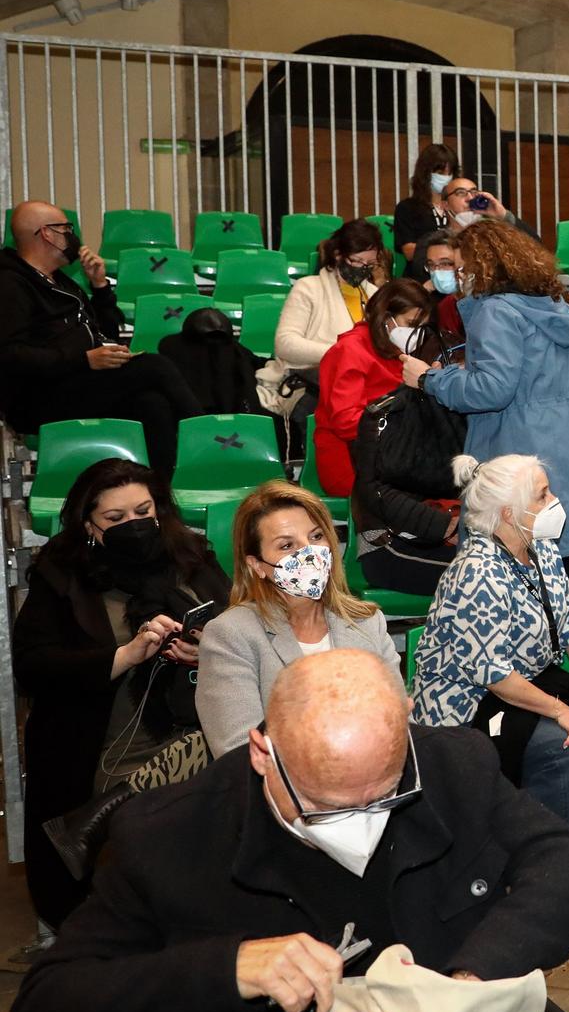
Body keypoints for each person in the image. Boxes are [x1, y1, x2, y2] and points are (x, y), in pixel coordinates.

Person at [4, 649, 569, 1012]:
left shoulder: (447, 762)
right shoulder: (168, 837)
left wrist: (468, 977)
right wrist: (226, 970)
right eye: (327, 805)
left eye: (383, 795)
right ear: (261, 752)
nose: (361, 824)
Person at [413, 454, 569, 899]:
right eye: (543, 494)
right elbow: (493, 675)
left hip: (526, 684)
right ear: (509, 513)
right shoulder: (476, 571)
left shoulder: (540, 547)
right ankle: (564, 875)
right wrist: (561, 710)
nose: (555, 500)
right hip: (469, 708)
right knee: (568, 740)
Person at [11, 458, 228, 932]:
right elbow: (33, 666)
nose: (134, 525)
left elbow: (241, 629)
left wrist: (206, 648)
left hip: (199, 728)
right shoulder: (62, 575)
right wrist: (125, 656)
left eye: (143, 511)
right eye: (115, 519)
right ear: (89, 524)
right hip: (107, 751)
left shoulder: (191, 556)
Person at [404, 219, 569, 604]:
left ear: (486, 267)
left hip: (521, 452)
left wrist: (431, 380)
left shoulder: (494, 311)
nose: (461, 278)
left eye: (464, 269)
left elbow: (492, 390)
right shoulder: (561, 310)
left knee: (522, 588)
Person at [0, 201, 201, 481]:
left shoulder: (62, 283)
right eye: (65, 228)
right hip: (37, 398)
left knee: (153, 404)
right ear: (46, 234)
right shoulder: (11, 284)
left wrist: (100, 287)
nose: (72, 235)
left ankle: (159, 496)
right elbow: (11, 356)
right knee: (155, 366)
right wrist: (84, 360)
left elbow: (104, 335)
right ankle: (209, 440)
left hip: (76, 384)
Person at [195, 481, 399, 754]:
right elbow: (238, 752)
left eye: (316, 537)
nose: (309, 553)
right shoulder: (230, 635)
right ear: (257, 566)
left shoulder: (366, 621)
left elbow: (399, 722)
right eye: (287, 545)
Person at [255, 218, 388, 438]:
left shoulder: (374, 294)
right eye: (357, 261)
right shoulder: (308, 288)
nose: (364, 269)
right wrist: (343, 353)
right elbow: (285, 345)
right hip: (312, 384)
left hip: (360, 385)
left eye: (370, 264)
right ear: (338, 255)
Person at [312, 278, 433, 498]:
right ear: (386, 318)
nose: (417, 334)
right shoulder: (350, 351)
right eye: (412, 324)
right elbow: (346, 422)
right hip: (351, 462)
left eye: (422, 327)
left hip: (392, 457)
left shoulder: (397, 352)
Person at [348, 377, 462, 598]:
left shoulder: (480, 414)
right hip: (388, 541)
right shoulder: (388, 413)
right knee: (489, 576)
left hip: (453, 535)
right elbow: (373, 492)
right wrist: (445, 525)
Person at [391, 140, 461, 261]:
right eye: (440, 172)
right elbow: (409, 252)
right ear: (425, 172)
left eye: (450, 173)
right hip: (421, 274)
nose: (446, 178)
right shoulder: (407, 208)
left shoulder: (459, 205)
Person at [409, 227, 464, 340]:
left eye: (446, 263)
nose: (437, 270)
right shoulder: (439, 305)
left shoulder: (482, 303)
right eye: (431, 265)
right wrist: (421, 295)